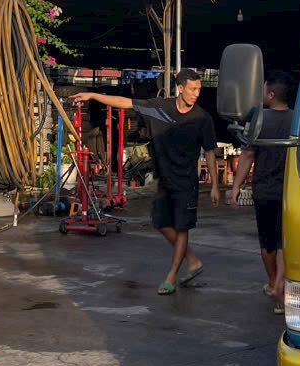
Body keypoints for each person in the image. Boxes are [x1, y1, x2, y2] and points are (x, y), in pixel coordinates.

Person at [71, 68, 220, 295]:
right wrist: (93, 95)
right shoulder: (160, 108)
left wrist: (215, 186)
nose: (196, 93)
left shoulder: (202, 118)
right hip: (165, 179)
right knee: (160, 223)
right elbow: (124, 102)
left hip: (186, 182)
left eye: (198, 89)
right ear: (180, 88)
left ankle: (171, 276)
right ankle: (192, 261)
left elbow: (209, 151)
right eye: (192, 89)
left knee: (182, 227)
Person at [230, 72, 294, 314]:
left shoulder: (260, 119)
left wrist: (236, 186)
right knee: (283, 241)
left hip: (264, 191)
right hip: (290, 191)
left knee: (267, 242)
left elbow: (247, 155)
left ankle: (273, 284)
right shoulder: (298, 120)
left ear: (271, 94)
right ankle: (282, 289)